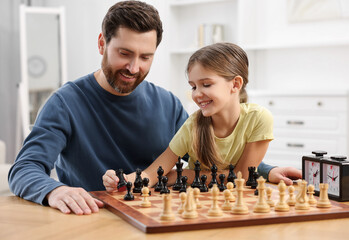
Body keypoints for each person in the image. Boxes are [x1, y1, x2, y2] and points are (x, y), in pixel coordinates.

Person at [8, 1, 301, 215]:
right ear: (102, 44)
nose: (134, 67)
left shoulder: (167, 102)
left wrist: (264, 170)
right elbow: (24, 169)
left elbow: (206, 154)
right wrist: (55, 190)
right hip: (95, 219)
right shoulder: (65, 102)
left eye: (145, 57)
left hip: (159, 217)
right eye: (124, 53)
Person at [104, 42, 273, 190]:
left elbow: (240, 177)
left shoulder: (258, 119)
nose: (197, 94)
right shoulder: (193, 126)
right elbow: (152, 173)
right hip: (196, 203)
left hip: (237, 206)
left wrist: (181, 175)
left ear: (235, 84)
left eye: (206, 84)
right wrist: (123, 179)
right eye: (193, 87)